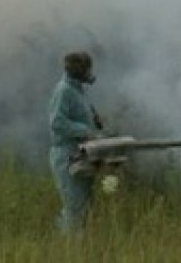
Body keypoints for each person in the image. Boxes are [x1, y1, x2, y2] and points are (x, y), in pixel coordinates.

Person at [47, 50, 104, 232]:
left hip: (81, 152)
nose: (89, 73)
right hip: (66, 154)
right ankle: (69, 247)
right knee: (74, 205)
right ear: (77, 70)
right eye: (87, 69)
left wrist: (95, 118)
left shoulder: (78, 90)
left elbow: (81, 113)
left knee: (85, 204)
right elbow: (57, 122)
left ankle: (78, 244)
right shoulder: (63, 91)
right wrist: (86, 131)